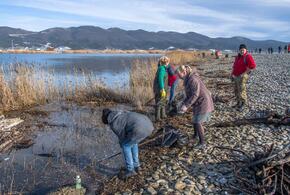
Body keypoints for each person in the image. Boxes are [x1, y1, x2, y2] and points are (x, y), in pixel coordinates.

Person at [102, 109, 154, 179]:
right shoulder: (121, 113)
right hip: (149, 125)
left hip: (139, 128)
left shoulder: (114, 124)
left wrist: (121, 145)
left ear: (107, 120)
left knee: (125, 146)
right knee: (133, 142)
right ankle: (137, 166)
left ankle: (130, 170)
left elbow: (122, 137)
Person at [176, 65, 214, 148]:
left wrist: (186, 105)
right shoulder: (188, 78)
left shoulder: (193, 79)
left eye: (179, 75)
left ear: (184, 72)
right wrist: (183, 102)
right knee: (195, 119)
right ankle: (195, 136)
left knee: (198, 121)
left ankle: (202, 143)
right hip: (198, 102)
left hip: (203, 101)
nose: (178, 77)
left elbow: (195, 95)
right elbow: (189, 94)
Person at [231, 44, 256, 111]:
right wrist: (231, 74)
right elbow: (234, 66)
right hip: (235, 76)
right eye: (240, 50)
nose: (242, 51)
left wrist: (243, 74)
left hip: (242, 76)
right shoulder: (237, 57)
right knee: (236, 90)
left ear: (246, 50)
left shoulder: (248, 56)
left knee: (242, 90)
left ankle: (243, 104)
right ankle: (238, 102)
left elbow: (252, 66)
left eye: (243, 50)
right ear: (239, 50)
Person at [153, 56, 169, 121]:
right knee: (159, 102)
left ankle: (163, 115)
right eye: (168, 62)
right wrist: (162, 89)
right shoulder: (162, 69)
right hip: (160, 89)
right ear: (166, 62)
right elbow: (160, 79)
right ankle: (157, 118)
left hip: (163, 88)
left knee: (163, 101)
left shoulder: (163, 68)